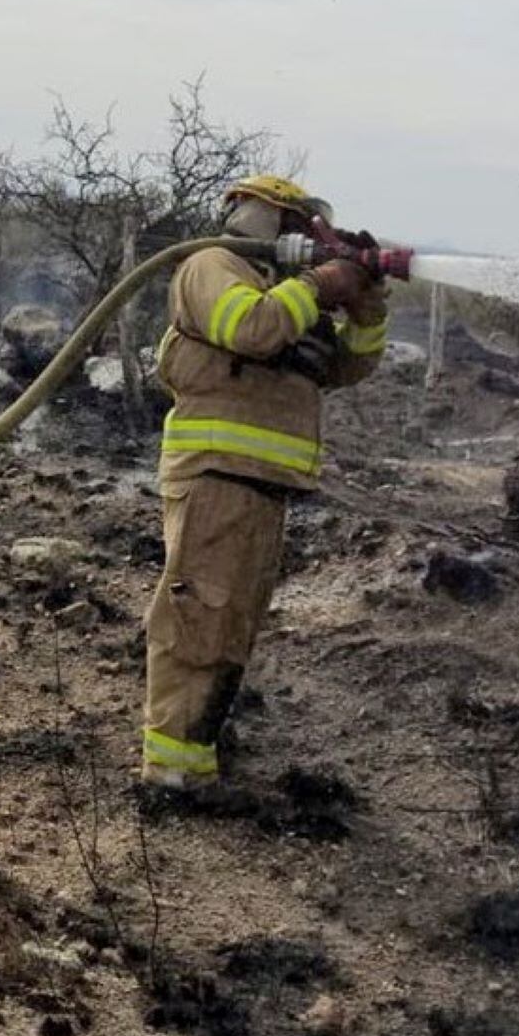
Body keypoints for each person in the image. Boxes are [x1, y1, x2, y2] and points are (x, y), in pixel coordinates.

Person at [142, 174, 389, 798]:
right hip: (216, 473)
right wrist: (321, 283)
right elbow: (249, 329)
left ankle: (197, 761)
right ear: (268, 220)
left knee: (232, 626)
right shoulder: (214, 265)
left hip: (262, 483)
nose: (315, 243)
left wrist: (366, 306)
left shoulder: (288, 298)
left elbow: (345, 366)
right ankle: (169, 774)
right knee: (198, 619)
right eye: (305, 228)